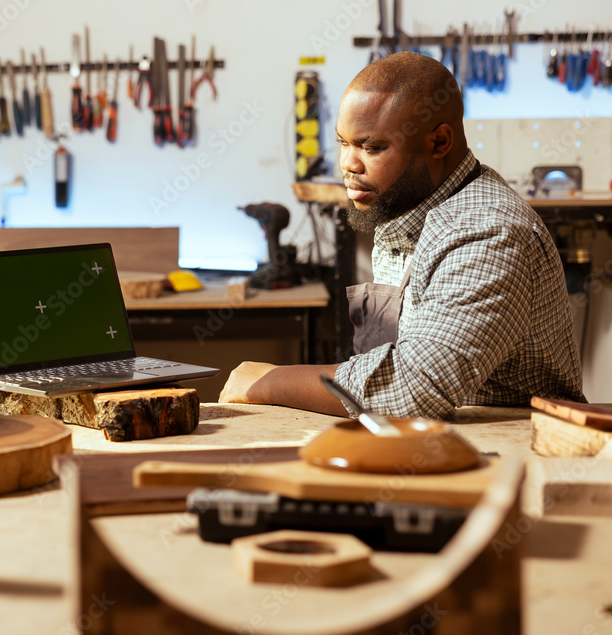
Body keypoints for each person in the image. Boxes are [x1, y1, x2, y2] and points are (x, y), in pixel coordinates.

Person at [220, 51, 585, 418]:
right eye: (344, 143)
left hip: (510, 453)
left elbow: (412, 390)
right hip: (425, 445)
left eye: (372, 147)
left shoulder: (488, 233)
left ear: (439, 142)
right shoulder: (407, 211)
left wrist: (266, 381)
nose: (348, 164)